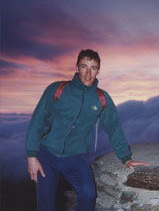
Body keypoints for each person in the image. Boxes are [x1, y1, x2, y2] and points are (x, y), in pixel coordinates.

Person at [25, 49, 150, 211]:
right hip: (46, 155)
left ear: (98, 71)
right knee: (46, 204)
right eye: (84, 66)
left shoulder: (101, 98)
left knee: (89, 195)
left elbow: (114, 129)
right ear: (77, 67)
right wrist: (31, 155)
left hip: (74, 158)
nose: (88, 73)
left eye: (93, 68)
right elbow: (37, 121)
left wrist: (126, 158)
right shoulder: (57, 89)